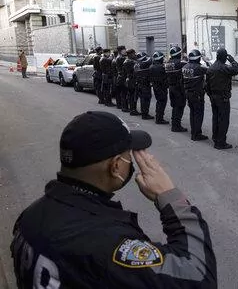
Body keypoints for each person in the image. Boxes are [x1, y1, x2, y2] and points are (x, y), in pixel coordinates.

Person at [11, 111, 217, 288]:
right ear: (116, 166)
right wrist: (170, 197)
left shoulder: (30, 216)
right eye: (129, 155)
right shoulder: (106, 243)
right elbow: (197, 275)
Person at [206, 48, 238, 150]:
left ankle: (216, 138)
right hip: (223, 98)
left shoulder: (211, 68)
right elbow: (236, 70)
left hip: (213, 97)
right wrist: (233, 60)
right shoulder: (224, 68)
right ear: (224, 57)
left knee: (215, 118)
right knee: (223, 120)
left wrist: (210, 95)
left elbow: (206, 85)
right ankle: (220, 142)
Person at [182, 49, 208, 141]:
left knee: (192, 113)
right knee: (198, 114)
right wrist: (206, 61)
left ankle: (193, 132)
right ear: (198, 58)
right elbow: (211, 70)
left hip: (188, 93)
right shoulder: (199, 68)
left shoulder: (185, 67)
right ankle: (197, 134)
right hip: (197, 94)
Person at [164, 46, 187, 132]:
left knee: (174, 106)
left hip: (171, 87)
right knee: (179, 106)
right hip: (179, 88)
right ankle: (176, 126)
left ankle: (174, 124)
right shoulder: (180, 63)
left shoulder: (168, 62)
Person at [150, 51, 170, 125]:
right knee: (162, 103)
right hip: (161, 87)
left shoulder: (151, 66)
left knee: (159, 102)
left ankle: (158, 117)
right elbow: (165, 78)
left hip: (155, 87)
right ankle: (159, 118)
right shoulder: (161, 67)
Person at [135, 53, 154, 120]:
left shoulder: (136, 63)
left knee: (142, 100)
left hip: (139, 84)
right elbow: (150, 60)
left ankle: (144, 113)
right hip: (145, 84)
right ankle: (145, 114)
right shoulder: (144, 63)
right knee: (146, 99)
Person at [123, 49, 140, 116]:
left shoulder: (125, 61)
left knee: (130, 95)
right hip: (133, 80)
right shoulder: (132, 62)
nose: (135, 54)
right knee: (133, 96)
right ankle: (133, 110)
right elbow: (136, 71)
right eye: (133, 53)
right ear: (130, 54)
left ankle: (132, 109)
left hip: (128, 80)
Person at [115, 46, 129, 112]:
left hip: (120, 77)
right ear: (120, 51)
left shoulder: (119, 57)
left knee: (123, 93)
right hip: (123, 77)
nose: (125, 50)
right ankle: (124, 107)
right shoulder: (121, 58)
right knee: (124, 93)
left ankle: (123, 106)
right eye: (124, 50)